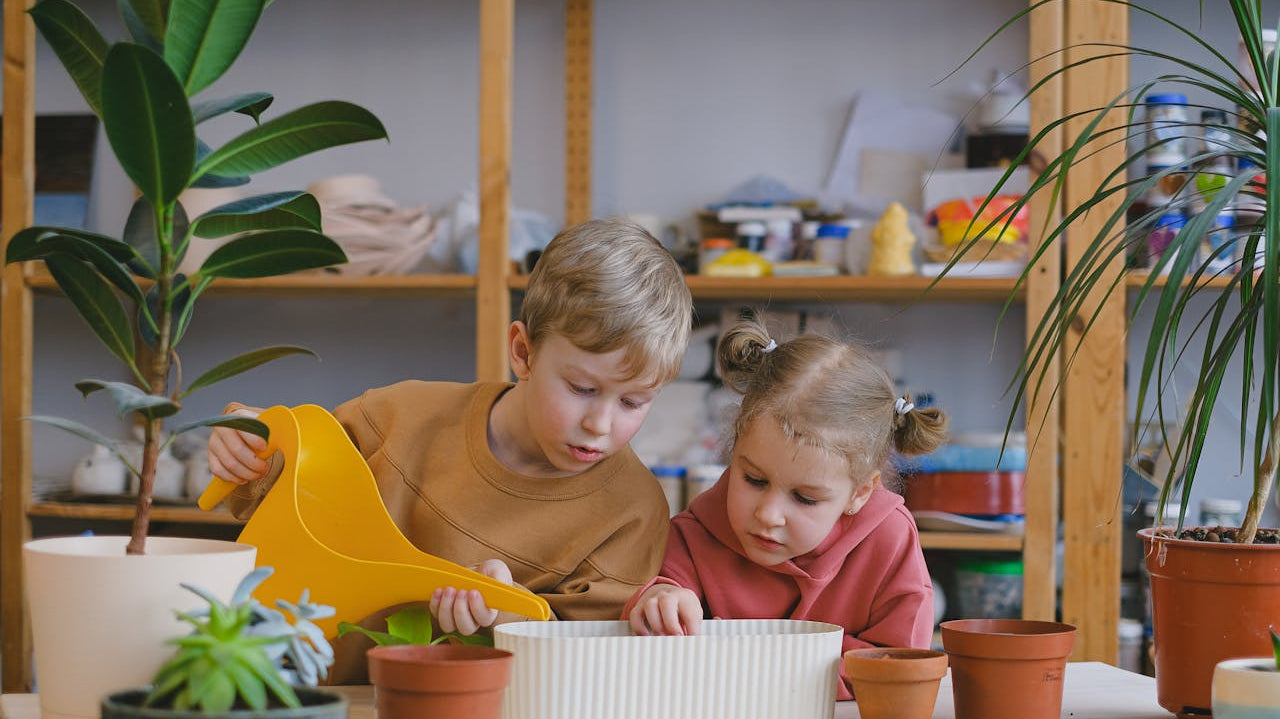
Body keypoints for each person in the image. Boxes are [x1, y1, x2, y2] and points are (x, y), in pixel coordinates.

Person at [208, 218, 692, 682]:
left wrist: (511, 616)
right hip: (295, 694)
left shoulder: (632, 512)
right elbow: (278, 495)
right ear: (523, 352)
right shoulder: (395, 417)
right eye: (581, 388)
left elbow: (590, 666)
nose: (599, 424)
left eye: (633, 401)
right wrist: (247, 447)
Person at [623, 315, 947, 700]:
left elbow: (897, 667)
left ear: (860, 493)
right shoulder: (697, 531)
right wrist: (659, 600)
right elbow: (656, 633)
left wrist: (768, 668)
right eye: (754, 480)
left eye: (805, 498)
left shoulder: (889, 539)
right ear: (733, 451)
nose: (768, 514)